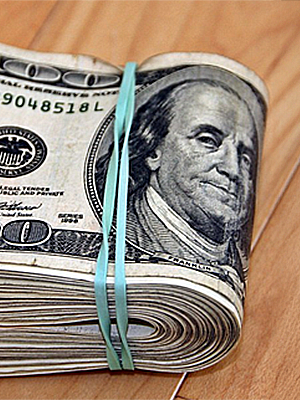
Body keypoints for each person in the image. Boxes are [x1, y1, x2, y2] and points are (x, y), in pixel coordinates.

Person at [94, 68, 265, 283]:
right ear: (154, 150)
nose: (233, 169)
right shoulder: (122, 232)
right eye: (207, 140)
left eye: (245, 157)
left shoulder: (237, 256)